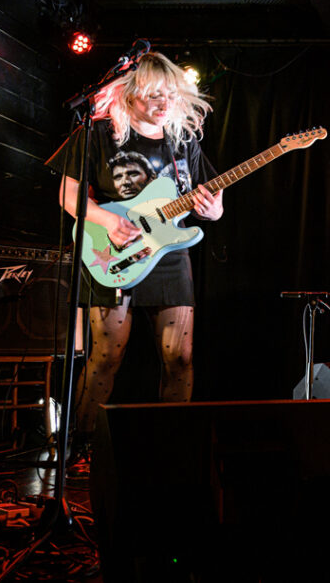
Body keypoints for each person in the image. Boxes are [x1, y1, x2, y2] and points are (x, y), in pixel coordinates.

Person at [46, 50, 224, 441]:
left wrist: (213, 211)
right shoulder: (97, 134)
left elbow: (212, 199)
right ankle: (83, 446)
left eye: (171, 95)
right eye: (154, 95)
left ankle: (173, 445)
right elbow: (68, 194)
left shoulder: (183, 141)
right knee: (106, 357)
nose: (165, 104)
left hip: (169, 255)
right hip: (111, 250)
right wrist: (109, 221)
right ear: (130, 94)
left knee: (180, 357)